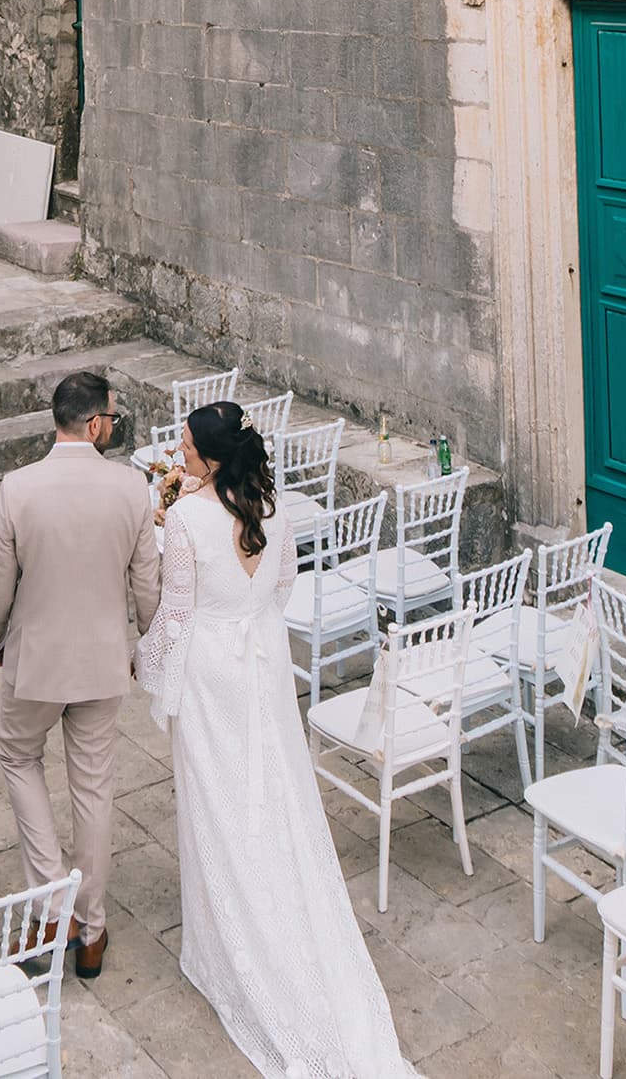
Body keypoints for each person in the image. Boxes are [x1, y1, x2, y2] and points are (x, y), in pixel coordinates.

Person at [137, 401, 427, 1079]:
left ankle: (224, 949)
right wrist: (250, 615)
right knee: (269, 785)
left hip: (212, 667)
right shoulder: (272, 507)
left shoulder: (182, 519)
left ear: (210, 458)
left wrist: (146, 664)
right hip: (264, 660)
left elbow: (175, 615)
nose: (177, 456)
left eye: (184, 448)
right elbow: (287, 582)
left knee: (216, 797)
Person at [0, 370, 160, 979]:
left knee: (16, 757)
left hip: (35, 659)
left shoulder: (18, 487)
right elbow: (147, 586)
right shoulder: (133, 489)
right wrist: (143, 643)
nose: (114, 426)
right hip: (102, 660)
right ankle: (92, 928)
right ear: (93, 423)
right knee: (94, 789)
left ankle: (52, 898)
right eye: (112, 416)